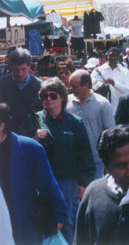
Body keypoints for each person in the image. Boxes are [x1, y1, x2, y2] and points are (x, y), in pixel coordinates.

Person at [34, 78, 95, 243]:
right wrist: (34, 138)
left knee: (67, 222)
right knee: (41, 221)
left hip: (67, 182)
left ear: (62, 97)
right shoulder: (34, 120)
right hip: (40, 182)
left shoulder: (75, 122)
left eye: (52, 95)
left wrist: (84, 183)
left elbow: (85, 155)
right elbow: (22, 148)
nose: (48, 99)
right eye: (44, 96)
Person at [0, 103, 68, 244]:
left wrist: (59, 214)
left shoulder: (29, 148)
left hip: (23, 221)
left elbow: (48, 183)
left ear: (1, 126)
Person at [67, 70, 115, 179]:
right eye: (69, 86)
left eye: (74, 86)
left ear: (86, 86)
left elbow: (110, 133)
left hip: (96, 161)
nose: (70, 89)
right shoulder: (67, 102)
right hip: (73, 160)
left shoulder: (102, 104)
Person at [0, 48, 42, 137]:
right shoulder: (2, 84)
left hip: (32, 135)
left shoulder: (39, 86)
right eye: (16, 69)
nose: (20, 73)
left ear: (29, 66)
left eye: (23, 69)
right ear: (11, 67)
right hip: (7, 135)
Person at [91, 47, 129, 114]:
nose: (113, 58)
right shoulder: (99, 70)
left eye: (115, 56)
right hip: (102, 110)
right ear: (107, 56)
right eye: (111, 55)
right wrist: (101, 85)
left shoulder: (125, 72)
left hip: (120, 110)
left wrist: (114, 83)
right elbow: (92, 84)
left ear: (118, 57)